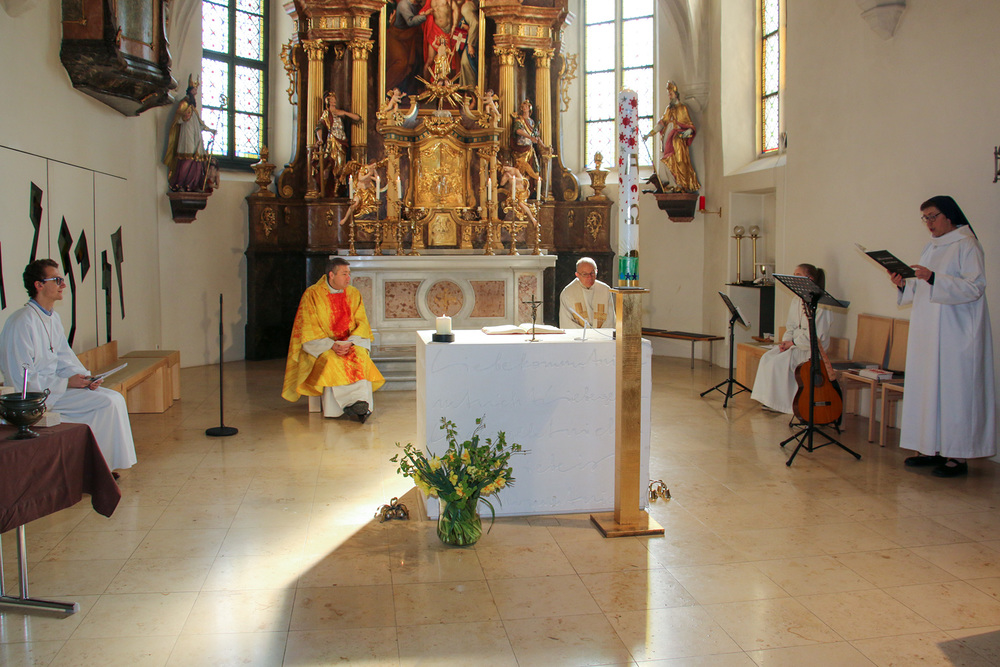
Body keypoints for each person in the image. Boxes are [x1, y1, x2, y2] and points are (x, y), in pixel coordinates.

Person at [889, 196, 996, 477]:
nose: (929, 223)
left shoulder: (967, 244)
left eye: (933, 216)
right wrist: (903, 284)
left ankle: (957, 456)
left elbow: (975, 287)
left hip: (956, 334)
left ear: (949, 215)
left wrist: (934, 278)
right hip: (928, 333)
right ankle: (930, 448)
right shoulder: (931, 246)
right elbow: (922, 287)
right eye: (925, 218)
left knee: (955, 393)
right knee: (929, 390)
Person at [0, 259, 137, 473]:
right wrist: (65, 383)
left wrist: (83, 378)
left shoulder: (52, 318)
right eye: (57, 280)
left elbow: (64, 358)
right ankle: (95, 469)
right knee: (106, 403)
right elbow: (21, 378)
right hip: (35, 397)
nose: (63, 284)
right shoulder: (21, 322)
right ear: (39, 285)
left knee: (113, 399)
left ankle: (99, 467)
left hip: (54, 389)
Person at [282, 258, 385, 422]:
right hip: (324, 345)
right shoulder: (312, 294)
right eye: (344, 274)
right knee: (332, 359)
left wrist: (351, 342)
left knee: (360, 356)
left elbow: (362, 323)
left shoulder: (353, 293)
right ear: (331, 275)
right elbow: (308, 328)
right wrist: (332, 345)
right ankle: (348, 405)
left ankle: (361, 405)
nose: (348, 278)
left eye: (349, 274)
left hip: (349, 342)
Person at [750, 263, 831, 414]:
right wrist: (785, 342)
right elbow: (791, 326)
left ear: (809, 279)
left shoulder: (821, 304)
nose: (794, 278)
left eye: (798, 275)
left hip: (810, 349)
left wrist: (792, 343)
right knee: (767, 357)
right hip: (794, 344)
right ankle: (768, 399)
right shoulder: (796, 300)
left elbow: (815, 336)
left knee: (778, 363)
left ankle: (783, 404)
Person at [163, 75, 219, 192]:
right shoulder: (183, 104)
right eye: (194, 90)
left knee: (197, 160)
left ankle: (193, 185)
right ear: (190, 91)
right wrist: (184, 118)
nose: (195, 92)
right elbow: (177, 120)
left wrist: (211, 130)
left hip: (196, 136)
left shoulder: (193, 108)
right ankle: (180, 184)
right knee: (187, 159)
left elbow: (200, 124)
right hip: (187, 135)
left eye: (196, 90)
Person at [643, 81, 700, 193]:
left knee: (680, 161)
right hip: (668, 138)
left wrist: (688, 131)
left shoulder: (682, 108)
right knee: (667, 160)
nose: (669, 96)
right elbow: (661, 123)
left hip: (678, 139)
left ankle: (682, 184)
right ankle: (673, 184)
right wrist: (649, 134)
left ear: (676, 94)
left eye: (671, 94)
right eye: (668, 94)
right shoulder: (669, 109)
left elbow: (689, 124)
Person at [314, 91, 360, 197]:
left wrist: (344, 113)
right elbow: (319, 127)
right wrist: (320, 139)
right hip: (332, 142)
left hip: (341, 142)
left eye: (334, 100)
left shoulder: (340, 112)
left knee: (340, 167)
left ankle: (336, 189)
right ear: (327, 101)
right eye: (331, 100)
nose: (334, 102)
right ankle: (325, 189)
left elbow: (358, 118)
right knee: (330, 165)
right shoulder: (326, 113)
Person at [559, 257, 616, 329]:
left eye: (592, 273)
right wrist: (587, 334)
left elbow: (610, 319)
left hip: (602, 335)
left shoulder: (605, 290)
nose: (589, 277)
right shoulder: (567, 293)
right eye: (585, 274)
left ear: (597, 271)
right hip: (579, 335)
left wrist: (599, 334)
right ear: (577, 275)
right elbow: (567, 322)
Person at [511, 98, 545, 187]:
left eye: (527, 106)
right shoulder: (519, 120)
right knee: (521, 169)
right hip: (521, 147)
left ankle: (531, 187)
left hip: (529, 147)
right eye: (523, 106)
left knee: (535, 167)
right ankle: (520, 187)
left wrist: (544, 146)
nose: (525, 108)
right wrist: (530, 137)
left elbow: (536, 135)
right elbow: (518, 131)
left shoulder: (532, 122)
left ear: (530, 108)